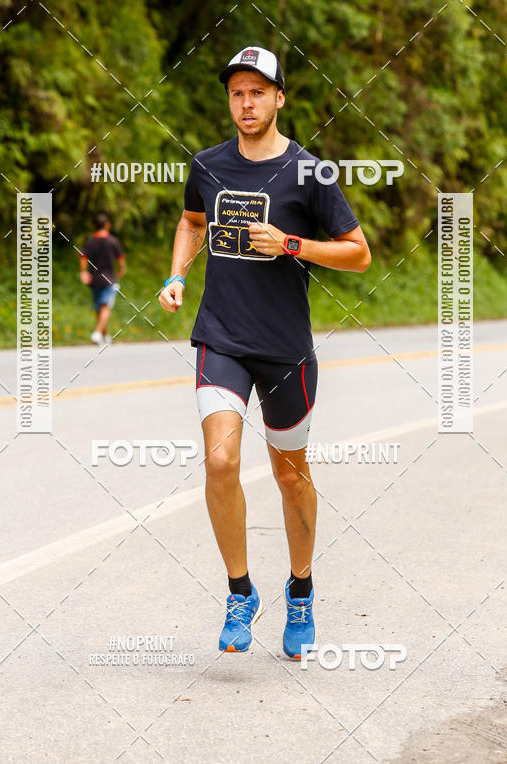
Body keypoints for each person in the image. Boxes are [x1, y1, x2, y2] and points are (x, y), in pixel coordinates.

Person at [159, 46, 371, 658]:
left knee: (290, 474)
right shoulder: (207, 163)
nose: (246, 103)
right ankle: (239, 592)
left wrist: (291, 243)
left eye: (258, 92)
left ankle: (300, 590)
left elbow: (357, 252)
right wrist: (177, 274)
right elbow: (193, 222)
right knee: (220, 462)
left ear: (280, 97)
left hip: (283, 349)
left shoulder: (311, 172)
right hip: (220, 337)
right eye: (236, 93)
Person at [80, 212, 125, 345]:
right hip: (109, 279)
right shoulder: (113, 241)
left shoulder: (90, 241)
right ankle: (97, 333)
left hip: (94, 279)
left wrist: (83, 272)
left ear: (94, 225)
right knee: (105, 307)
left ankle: (105, 337)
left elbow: (83, 257)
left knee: (100, 308)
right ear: (107, 225)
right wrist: (120, 272)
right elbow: (121, 260)